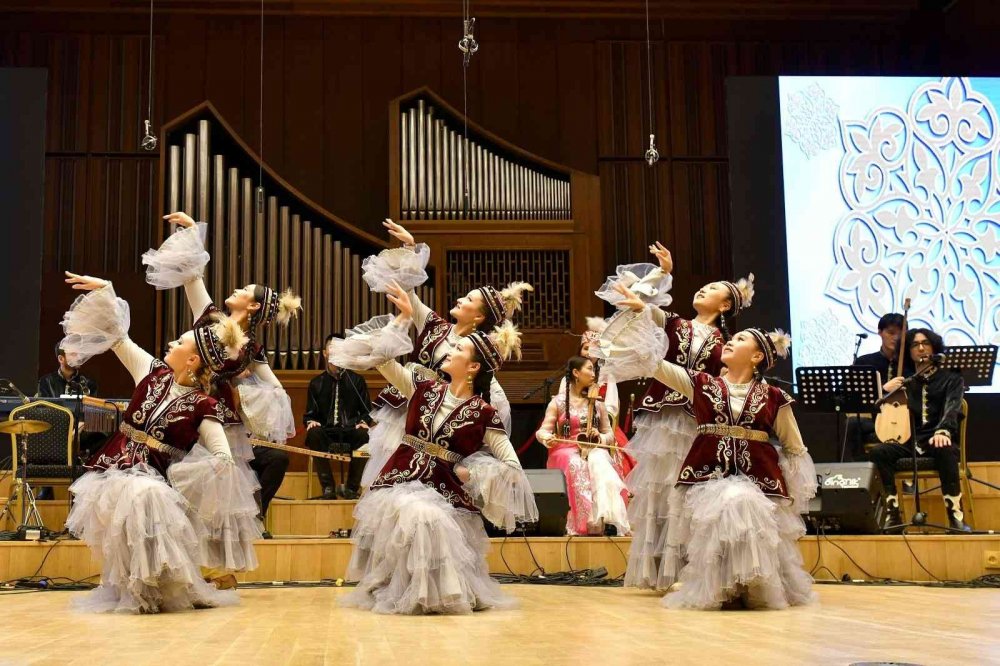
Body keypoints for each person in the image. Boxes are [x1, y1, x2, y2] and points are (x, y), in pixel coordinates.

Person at [598, 284, 817, 610]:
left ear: (757, 357)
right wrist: (641, 311)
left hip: (759, 478)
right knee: (733, 502)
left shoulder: (774, 397)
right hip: (709, 477)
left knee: (748, 505)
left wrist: (793, 490)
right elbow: (656, 365)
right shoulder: (702, 384)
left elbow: (795, 447)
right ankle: (721, 585)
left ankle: (751, 583)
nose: (731, 341)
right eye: (732, 338)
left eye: (741, 340)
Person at [328, 286, 537, 614]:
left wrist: (475, 471)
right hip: (400, 480)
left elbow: (512, 465)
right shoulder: (421, 388)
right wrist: (402, 321)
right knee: (421, 515)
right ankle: (412, 590)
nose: (450, 350)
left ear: (472, 368)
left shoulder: (485, 412)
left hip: (444, 489)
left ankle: (440, 593)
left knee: (430, 516)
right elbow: (380, 358)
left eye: (460, 350)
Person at [59, 273, 256, 613]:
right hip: (112, 468)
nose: (171, 346)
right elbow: (119, 338)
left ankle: (149, 590)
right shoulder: (150, 371)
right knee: (135, 499)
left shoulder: (204, 406)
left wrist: (184, 482)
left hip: (153, 480)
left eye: (179, 344)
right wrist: (107, 291)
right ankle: (130, 590)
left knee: (146, 495)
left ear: (192, 360)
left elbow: (223, 459)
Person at [597, 243, 754, 591]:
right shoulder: (676, 324)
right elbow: (643, 308)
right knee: (658, 490)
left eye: (713, 289)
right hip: (662, 420)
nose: (703, 289)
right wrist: (662, 273)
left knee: (684, 491)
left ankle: (687, 568)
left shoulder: (726, 344)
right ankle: (656, 569)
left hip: (694, 421)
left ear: (725, 305)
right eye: (703, 285)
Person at [143, 211, 300, 539]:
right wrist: (190, 233)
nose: (237, 287)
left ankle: (229, 540)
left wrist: (244, 396)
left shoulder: (252, 352)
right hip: (182, 408)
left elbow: (278, 394)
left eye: (244, 288)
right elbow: (191, 277)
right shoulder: (211, 317)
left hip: (218, 424)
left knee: (240, 476)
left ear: (253, 306)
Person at [355, 218, 530, 490]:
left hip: (431, 415)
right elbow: (409, 294)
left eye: (469, 299)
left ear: (479, 316)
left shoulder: (476, 354)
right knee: (389, 473)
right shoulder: (436, 325)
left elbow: (483, 394)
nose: (460, 299)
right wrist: (411, 248)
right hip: (406, 403)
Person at [868, 328, 970, 532]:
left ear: (934, 348)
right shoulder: (907, 381)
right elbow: (879, 415)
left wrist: (943, 430)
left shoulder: (951, 377)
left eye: (926, 343)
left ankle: (955, 517)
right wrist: (885, 392)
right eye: (915, 345)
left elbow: (953, 407)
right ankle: (893, 516)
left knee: (944, 448)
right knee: (879, 451)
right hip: (910, 443)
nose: (921, 348)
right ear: (909, 352)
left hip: (939, 439)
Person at [536, 356, 630, 536]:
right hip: (565, 448)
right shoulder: (558, 402)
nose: (593, 373)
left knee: (602, 460)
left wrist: (600, 438)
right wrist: (548, 438)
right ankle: (581, 524)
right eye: (589, 369)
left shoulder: (597, 403)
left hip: (592, 449)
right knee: (576, 463)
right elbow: (542, 431)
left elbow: (609, 434)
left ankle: (603, 521)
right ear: (576, 373)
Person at [304, 334, 373, 499]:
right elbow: (309, 414)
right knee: (313, 434)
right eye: (332, 349)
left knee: (364, 435)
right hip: (326, 433)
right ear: (325, 353)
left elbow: (367, 412)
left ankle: (351, 488)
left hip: (350, 431)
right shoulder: (316, 383)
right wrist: (311, 422)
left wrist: (363, 422)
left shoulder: (357, 381)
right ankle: (328, 488)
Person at [845, 312, 905, 461]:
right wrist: (883, 389)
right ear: (880, 332)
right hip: (874, 419)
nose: (895, 338)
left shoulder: (911, 364)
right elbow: (848, 394)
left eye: (900, 334)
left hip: (905, 420)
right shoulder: (864, 362)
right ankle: (861, 470)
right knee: (852, 423)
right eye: (891, 333)